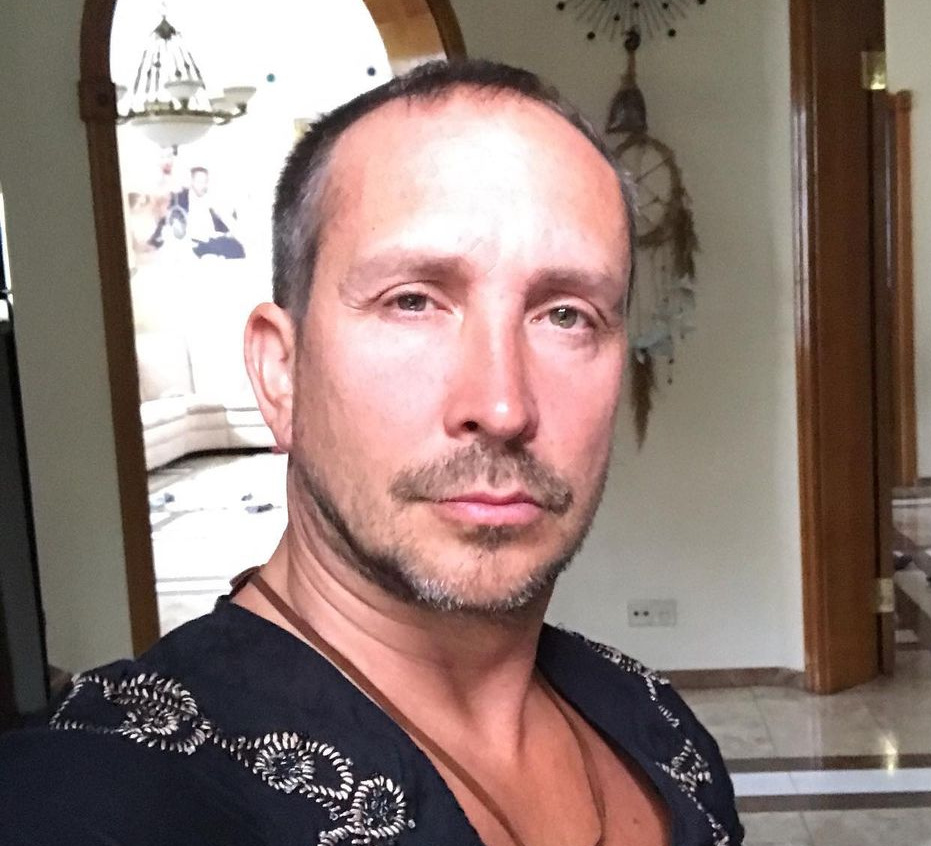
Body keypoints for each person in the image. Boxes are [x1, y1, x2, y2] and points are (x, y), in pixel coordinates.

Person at [0, 60, 742, 846]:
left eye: (566, 315)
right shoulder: (98, 792)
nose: (502, 407)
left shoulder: (657, 726)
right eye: (412, 301)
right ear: (281, 373)